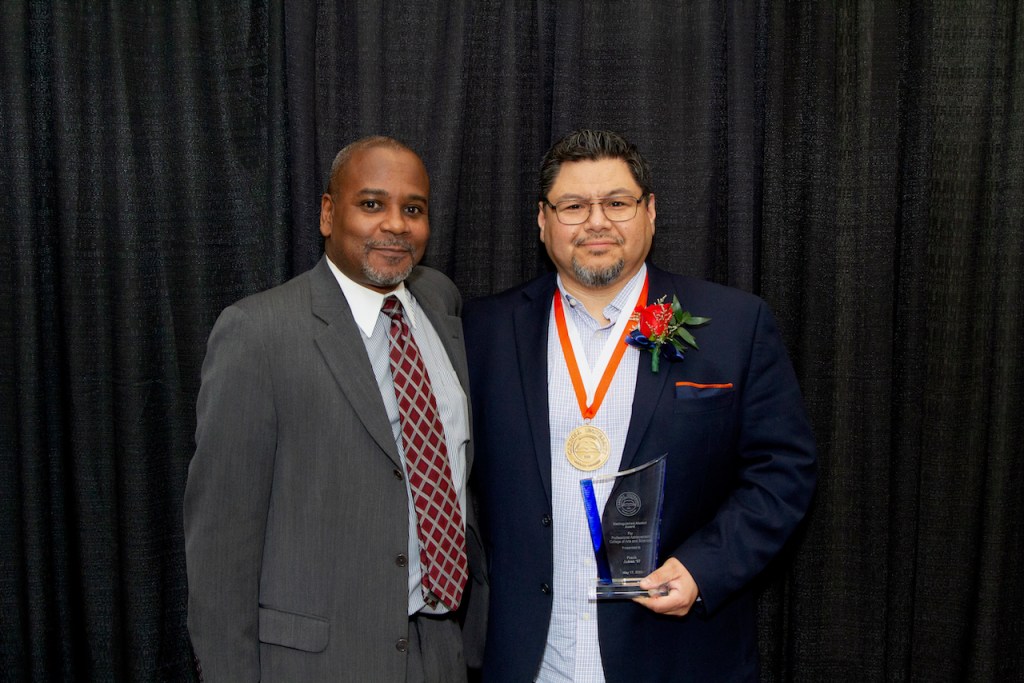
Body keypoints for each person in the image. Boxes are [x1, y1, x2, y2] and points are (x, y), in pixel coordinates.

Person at [464, 129, 817, 682]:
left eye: (617, 203)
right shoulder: (482, 330)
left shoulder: (733, 325)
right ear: (542, 220)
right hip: (531, 658)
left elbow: (784, 471)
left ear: (650, 212)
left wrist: (704, 568)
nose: (596, 222)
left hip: (676, 655)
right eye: (573, 206)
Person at [184, 136, 485, 682]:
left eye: (413, 209)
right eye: (371, 204)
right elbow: (221, 547)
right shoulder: (258, 333)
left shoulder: (440, 302)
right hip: (319, 662)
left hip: (441, 648)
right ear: (328, 213)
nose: (395, 225)